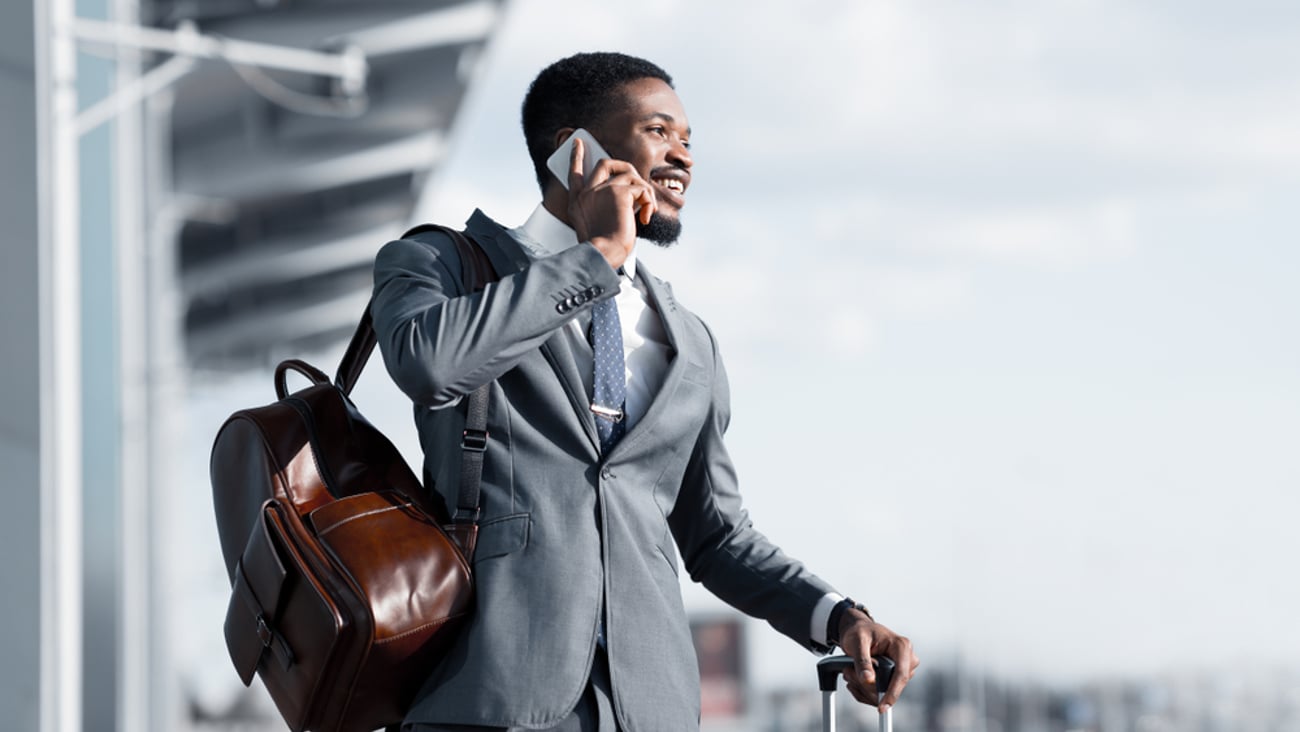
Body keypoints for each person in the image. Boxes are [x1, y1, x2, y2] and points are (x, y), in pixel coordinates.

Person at [371, 51, 918, 731]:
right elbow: (428, 364)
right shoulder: (443, 265)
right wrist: (597, 256)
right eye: (660, 132)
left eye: (688, 140)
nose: (683, 157)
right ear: (577, 149)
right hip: (488, 697)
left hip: (649, 705)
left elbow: (716, 535)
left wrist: (838, 616)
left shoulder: (690, 340)